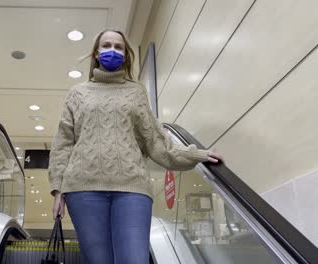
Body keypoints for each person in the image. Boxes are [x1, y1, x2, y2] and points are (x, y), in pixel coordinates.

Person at [48, 29, 222, 264]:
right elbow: (63, 143)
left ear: (126, 55)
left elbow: (156, 141)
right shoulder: (77, 94)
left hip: (132, 189)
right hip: (82, 190)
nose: (112, 50)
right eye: (106, 45)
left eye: (118, 47)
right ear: (96, 54)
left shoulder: (136, 91)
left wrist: (196, 154)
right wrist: (57, 190)